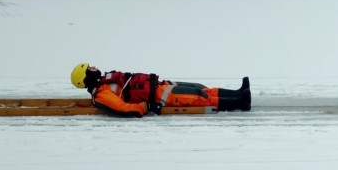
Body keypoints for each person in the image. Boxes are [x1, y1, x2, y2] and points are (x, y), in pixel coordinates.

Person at [70, 63, 251, 117]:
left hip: (160, 84)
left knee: (201, 89)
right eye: (89, 69)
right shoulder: (101, 95)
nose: (94, 67)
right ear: (86, 77)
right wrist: (147, 106)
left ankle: (238, 93)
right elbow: (122, 108)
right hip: (159, 96)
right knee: (199, 97)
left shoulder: (105, 81)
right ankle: (241, 102)